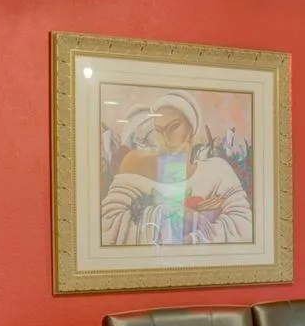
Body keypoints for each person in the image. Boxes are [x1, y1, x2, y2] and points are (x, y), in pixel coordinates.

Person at [99, 92, 253, 246]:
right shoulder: (134, 165)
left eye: (173, 127)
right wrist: (172, 214)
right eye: (159, 130)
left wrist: (190, 238)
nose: (165, 139)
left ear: (191, 130)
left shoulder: (217, 171)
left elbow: (243, 227)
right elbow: (108, 225)